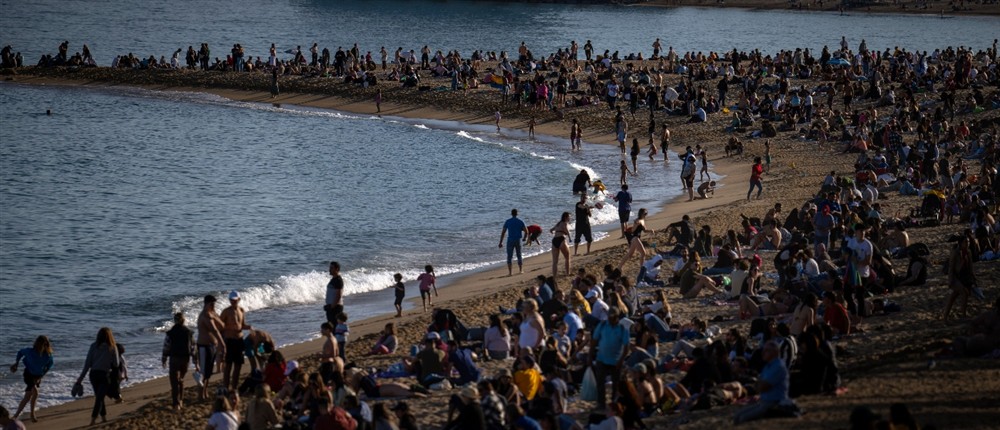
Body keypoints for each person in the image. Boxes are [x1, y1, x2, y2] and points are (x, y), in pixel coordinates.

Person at [733, 340, 794, 424]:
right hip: (764, 401)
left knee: (742, 418)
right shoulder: (768, 366)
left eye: (767, 351)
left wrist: (760, 385)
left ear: (774, 352)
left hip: (775, 402)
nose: (763, 353)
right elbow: (758, 386)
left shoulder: (778, 366)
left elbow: (762, 386)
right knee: (737, 416)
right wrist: (760, 385)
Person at [77, 327, 121, 426]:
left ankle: (104, 417)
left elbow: (87, 364)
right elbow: (116, 364)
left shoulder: (93, 346)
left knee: (99, 396)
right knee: (99, 398)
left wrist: (80, 379)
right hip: (104, 375)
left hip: (93, 375)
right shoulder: (113, 347)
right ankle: (93, 419)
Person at [590, 307, 630, 406]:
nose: (610, 319)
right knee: (600, 383)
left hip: (616, 361)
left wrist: (621, 361)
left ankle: (614, 403)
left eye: (612, 317)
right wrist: (590, 356)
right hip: (602, 359)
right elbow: (594, 340)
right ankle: (601, 404)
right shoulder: (603, 325)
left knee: (616, 384)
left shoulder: (622, 328)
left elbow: (626, 347)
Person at [9, 335, 53, 422]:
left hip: (37, 376)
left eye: (42, 344)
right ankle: (30, 415)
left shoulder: (47, 355)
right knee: (35, 393)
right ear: (36, 343)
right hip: (28, 374)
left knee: (28, 396)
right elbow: (20, 352)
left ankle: (16, 416)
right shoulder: (30, 351)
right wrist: (16, 363)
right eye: (38, 343)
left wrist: (41, 376)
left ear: (46, 344)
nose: (39, 345)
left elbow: (49, 365)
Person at [162, 312, 195, 411]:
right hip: (185, 358)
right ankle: (181, 399)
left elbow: (166, 346)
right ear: (184, 320)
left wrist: (164, 358)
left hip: (174, 358)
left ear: (175, 321)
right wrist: (195, 359)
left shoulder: (170, 333)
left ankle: (176, 404)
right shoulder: (188, 332)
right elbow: (193, 346)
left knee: (174, 381)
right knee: (180, 379)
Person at [221, 290, 251, 393]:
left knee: (238, 366)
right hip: (229, 340)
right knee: (228, 366)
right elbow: (220, 326)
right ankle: (225, 387)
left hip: (239, 340)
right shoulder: (226, 311)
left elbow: (242, 325)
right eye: (231, 300)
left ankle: (234, 388)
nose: (233, 302)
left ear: (239, 299)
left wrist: (250, 328)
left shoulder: (241, 310)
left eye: (234, 300)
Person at [197, 295, 225, 401]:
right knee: (203, 373)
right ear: (207, 304)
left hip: (212, 346)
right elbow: (215, 330)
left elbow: (222, 325)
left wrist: (214, 316)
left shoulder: (212, 314)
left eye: (214, 304)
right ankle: (200, 394)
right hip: (204, 346)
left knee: (208, 372)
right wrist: (223, 344)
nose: (214, 306)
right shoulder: (204, 315)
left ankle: (205, 392)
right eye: (212, 304)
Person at [499, 209, 528, 276]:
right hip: (518, 240)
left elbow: (503, 232)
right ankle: (520, 270)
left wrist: (501, 242)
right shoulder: (520, 221)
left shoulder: (508, 221)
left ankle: (510, 272)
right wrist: (524, 238)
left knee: (509, 256)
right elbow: (526, 231)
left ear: (511, 214)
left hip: (510, 240)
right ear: (517, 214)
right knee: (519, 255)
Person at [550, 212, 572, 277]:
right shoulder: (564, 223)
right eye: (569, 217)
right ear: (566, 217)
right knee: (567, 257)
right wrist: (570, 238)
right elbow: (567, 231)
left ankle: (554, 276)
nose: (570, 218)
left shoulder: (558, 223)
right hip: (561, 239)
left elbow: (551, 230)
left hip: (554, 240)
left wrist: (554, 232)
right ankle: (567, 273)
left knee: (555, 261)